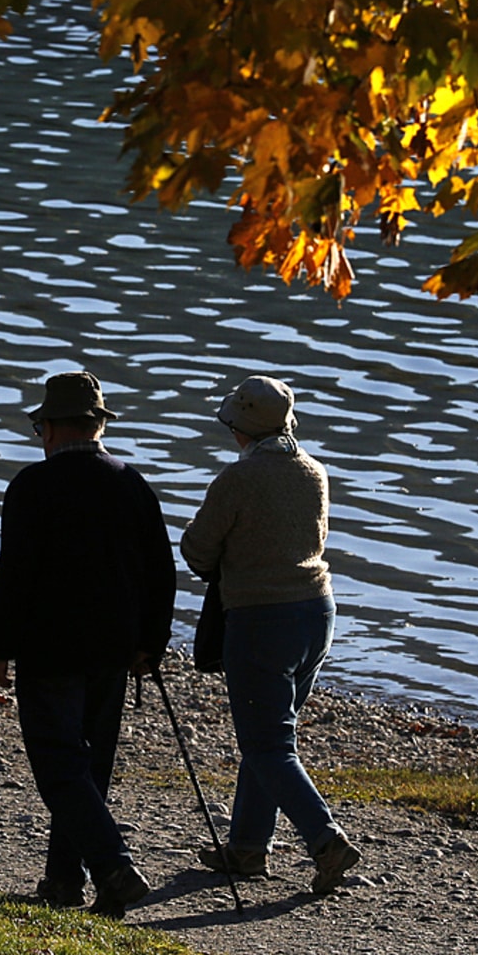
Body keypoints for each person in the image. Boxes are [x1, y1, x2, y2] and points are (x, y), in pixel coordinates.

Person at [0, 370, 176, 918]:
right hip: (113, 648)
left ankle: (114, 865)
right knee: (90, 769)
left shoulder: (31, 487)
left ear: (47, 429)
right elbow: (160, 574)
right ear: (98, 427)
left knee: (58, 765)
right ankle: (66, 883)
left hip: (49, 647)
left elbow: (14, 574)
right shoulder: (132, 483)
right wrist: (150, 643)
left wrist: (0, 647)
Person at [180, 375, 361, 896]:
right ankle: (246, 848)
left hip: (262, 618)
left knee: (267, 744)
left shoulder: (236, 480)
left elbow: (198, 552)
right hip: (318, 612)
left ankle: (326, 840)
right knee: (271, 737)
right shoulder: (315, 472)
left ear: (238, 427)